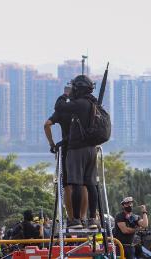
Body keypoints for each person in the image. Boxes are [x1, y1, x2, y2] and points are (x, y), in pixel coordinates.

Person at [54, 75, 100, 229]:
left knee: (77, 183)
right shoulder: (94, 103)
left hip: (77, 149)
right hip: (92, 149)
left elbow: (59, 107)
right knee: (91, 183)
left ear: (78, 89)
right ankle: (93, 219)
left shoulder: (80, 104)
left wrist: (65, 95)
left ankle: (76, 220)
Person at [44, 85, 88, 225]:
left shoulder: (63, 109)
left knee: (68, 185)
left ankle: (71, 219)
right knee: (85, 185)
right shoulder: (84, 108)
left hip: (67, 150)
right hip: (85, 150)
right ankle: (83, 216)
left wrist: (52, 144)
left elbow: (47, 125)